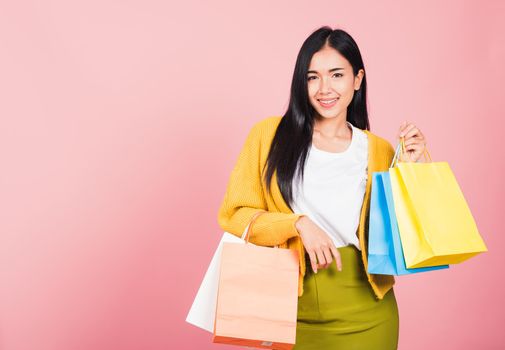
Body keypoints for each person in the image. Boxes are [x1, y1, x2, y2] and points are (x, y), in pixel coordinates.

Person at [217, 26, 427, 350]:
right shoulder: (269, 136)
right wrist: (297, 224)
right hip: (287, 307)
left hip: (368, 309)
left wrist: (415, 169)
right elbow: (235, 214)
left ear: (357, 80)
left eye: (337, 75)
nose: (324, 88)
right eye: (312, 77)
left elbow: (399, 236)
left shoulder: (378, 150)